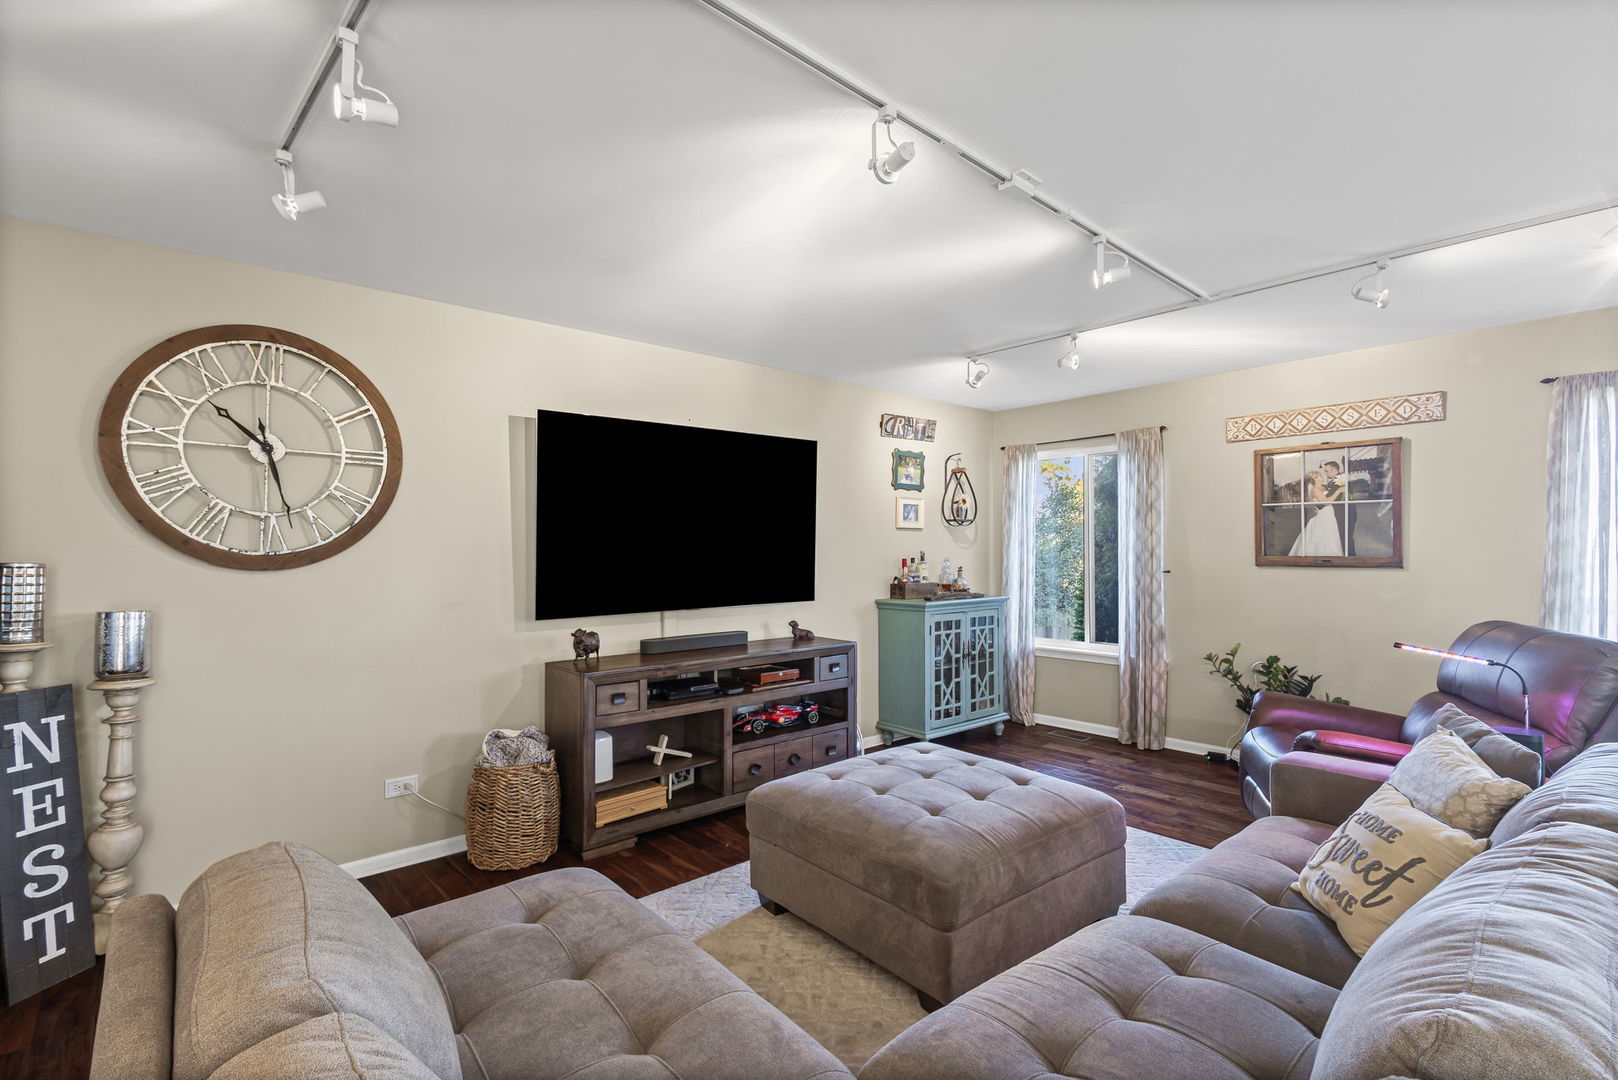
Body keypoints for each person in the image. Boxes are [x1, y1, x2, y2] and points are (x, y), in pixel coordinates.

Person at [1288, 470, 1344, 556]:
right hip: (1323, 515)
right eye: (1318, 476)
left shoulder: (1324, 488)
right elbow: (1325, 502)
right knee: (1324, 535)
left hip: (1330, 513)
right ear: (1314, 479)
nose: (1321, 477)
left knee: (1331, 535)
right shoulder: (1314, 490)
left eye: (1320, 475)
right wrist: (1338, 491)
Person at [1321, 460, 1356, 555]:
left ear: (1333, 470)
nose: (1325, 473)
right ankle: (1348, 557)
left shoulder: (1341, 480)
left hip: (1345, 512)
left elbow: (1329, 497)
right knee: (1343, 536)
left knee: (1345, 537)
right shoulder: (1336, 481)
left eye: (1326, 471)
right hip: (1341, 512)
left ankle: (1351, 558)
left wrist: (1318, 506)